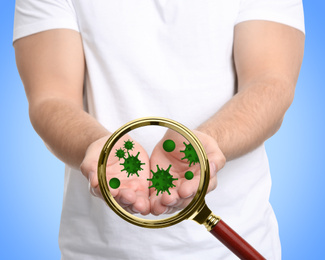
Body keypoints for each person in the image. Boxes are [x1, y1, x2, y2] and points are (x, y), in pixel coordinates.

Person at [13, 0, 305, 259]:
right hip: (96, 251)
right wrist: (99, 149)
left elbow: (271, 82)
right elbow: (50, 97)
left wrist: (207, 145)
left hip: (235, 245)